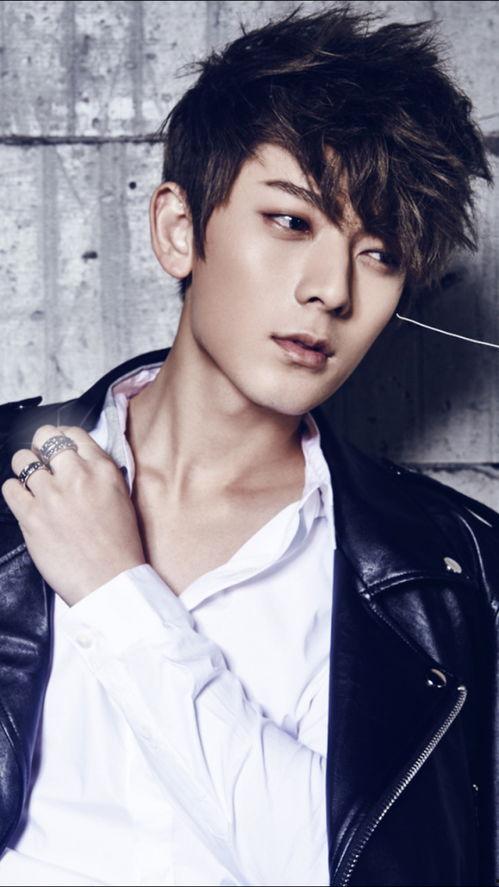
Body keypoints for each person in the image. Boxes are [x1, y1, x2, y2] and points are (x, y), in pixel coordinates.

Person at [0, 4, 496, 886]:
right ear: (178, 230)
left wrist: (116, 592)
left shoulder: (449, 573)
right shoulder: (6, 479)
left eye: (379, 254)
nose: (332, 290)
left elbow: (343, 863)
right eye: (292, 222)